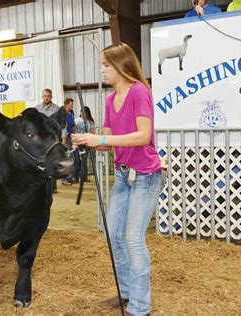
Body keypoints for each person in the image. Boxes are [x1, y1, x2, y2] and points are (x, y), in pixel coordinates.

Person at [71, 42, 165, 316]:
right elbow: (109, 142)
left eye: (105, 64)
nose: (101, 70)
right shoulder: (111, 99)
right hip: (123, 175)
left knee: (133, 238)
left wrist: (100, 137)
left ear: (121, 66)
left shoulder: (140, 92)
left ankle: (140, 307)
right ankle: (126, 292)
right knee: (114, 234)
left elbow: (143, 136)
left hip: (146, 175)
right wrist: (88, 141)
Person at [35, 89, 60, 193]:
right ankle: (41, 185)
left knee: (53, 162)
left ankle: (52, 186)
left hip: (52, 141)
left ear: (51, 97)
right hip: (40, 141)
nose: (46, 97)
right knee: (40, 162)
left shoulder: (57, 109)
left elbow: (61, 126)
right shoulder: (37, 109)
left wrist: (62, 139)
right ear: (42, 97)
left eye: (48, 96)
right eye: (45, 96)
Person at [73, 106, 95, 183]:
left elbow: (93, 132)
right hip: (78, 143)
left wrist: (94, 142)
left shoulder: (90, 122)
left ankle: (84, 177)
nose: (82, 113)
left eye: (84, 112)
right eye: (81, 112)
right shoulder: (76, 120)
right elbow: (74, 130)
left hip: (86, 143)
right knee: (76, 160)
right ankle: (75, 177)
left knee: (84, 161)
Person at [62, 98, 76, 186]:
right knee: (66, 158)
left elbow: (73, 124)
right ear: (66, 104)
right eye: (71, 104)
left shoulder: (71, 112)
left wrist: (75, 133)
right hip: (65, 137)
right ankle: (64, 178)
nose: (72, 105)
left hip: (71, 137)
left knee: (71, 157)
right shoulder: (62, 113)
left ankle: (69, 177)